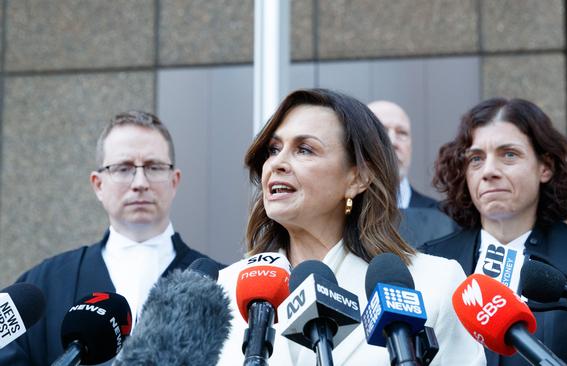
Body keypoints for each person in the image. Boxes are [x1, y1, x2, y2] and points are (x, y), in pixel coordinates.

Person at [216, 89, 485, 365]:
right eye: (274, 149)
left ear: (358, 178)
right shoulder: (223, 289)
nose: (277, 164)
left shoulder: (434, 283)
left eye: (304, 149)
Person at [419, 98, 567, 365]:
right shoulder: (432, 261)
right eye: (476, 159)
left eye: (509, 154)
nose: (489, 171)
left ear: (545, 167)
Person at [0, 111, 222, 366]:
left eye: (154, 167)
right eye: (123, 168)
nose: (140, 182)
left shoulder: (222, 285)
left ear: (174, 181)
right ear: (98, 185)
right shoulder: (44, 283)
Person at [368, 100, 457, 246]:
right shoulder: (338, 213)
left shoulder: (443, 218)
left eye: (402, 133)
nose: (392, 142)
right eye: (381, 131)